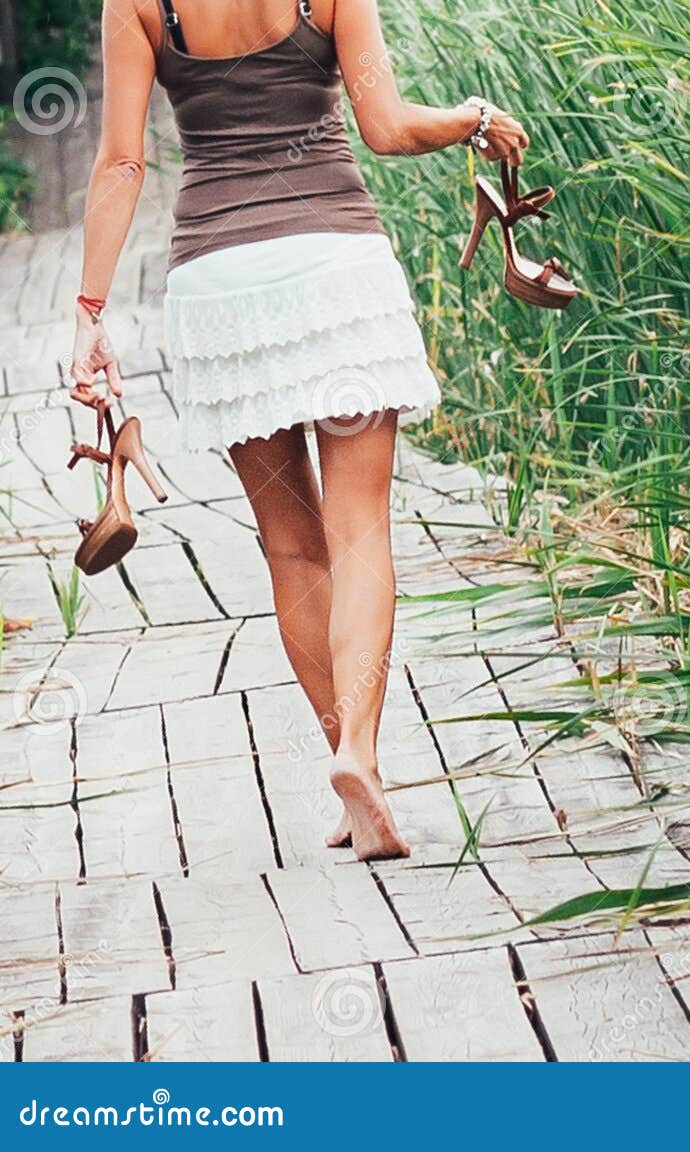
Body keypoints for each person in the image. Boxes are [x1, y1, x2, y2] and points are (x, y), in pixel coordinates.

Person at [68, 0, 530, 859]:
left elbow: (123, 163)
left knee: (292, 544)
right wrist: (471, 120)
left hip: (222, 284)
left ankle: (357, 783)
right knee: (360, 534)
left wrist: (91, 315)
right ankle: (359, 749)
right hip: (333, 270)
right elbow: (385, 127)